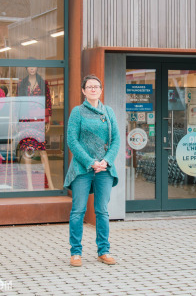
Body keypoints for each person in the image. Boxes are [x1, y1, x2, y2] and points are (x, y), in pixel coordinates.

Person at [64, 74, 120, 267]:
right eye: (89, 87)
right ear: (83, 90)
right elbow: (72, 141)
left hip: (104, 169)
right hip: (81, 168)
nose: (93, 89)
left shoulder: (109, 112)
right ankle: (75, 253)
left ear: (101, 90)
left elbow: (116, 141)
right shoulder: (77, 112)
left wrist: (106, 161)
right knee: (78, 210)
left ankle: (103, 251)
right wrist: (90, 161)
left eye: (96, 86)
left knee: (102, 211)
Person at [17, 64, 55, 190]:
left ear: (38, 68)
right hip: (25, 119)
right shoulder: (21, 84)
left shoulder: (43, 83)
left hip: (39, 119)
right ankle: (30, 185)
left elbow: (48, 101)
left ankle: (50, 183)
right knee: (27, 150)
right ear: (26, 68)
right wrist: (17, 121)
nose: (32, 68)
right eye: (29, 67)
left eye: (34, 66)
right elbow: (18, 102)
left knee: (42, 150)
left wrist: (47, 119)